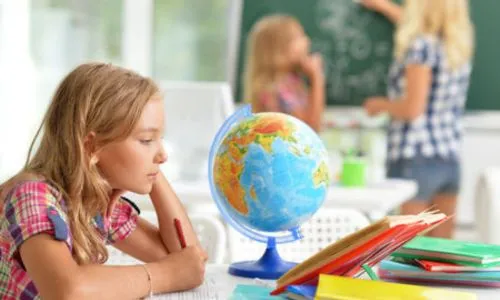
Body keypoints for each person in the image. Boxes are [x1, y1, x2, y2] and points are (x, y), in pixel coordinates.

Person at [0, 63, 208, 299]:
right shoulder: (31, 196)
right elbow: (66, 291)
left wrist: (153, 171)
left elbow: (187, 260)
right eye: (147, 139)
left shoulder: (94, 205)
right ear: (92, 146)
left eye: (160, 138)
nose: (163, 155)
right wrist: (164, 275)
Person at [361, 0, 474, 238]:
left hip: (415, 158)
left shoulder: (419, 46)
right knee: (442, 258)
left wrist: (379, 105)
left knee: (408, 252)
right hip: (449, 160)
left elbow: (412, 109)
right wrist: (383, 7)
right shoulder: (457, 47)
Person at [243, 14, 325, 132]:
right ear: (280, 49)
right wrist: (316, 77)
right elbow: (310, 128)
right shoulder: (277, 89)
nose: (306, 41)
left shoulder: (291, 82)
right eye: (299, 37)